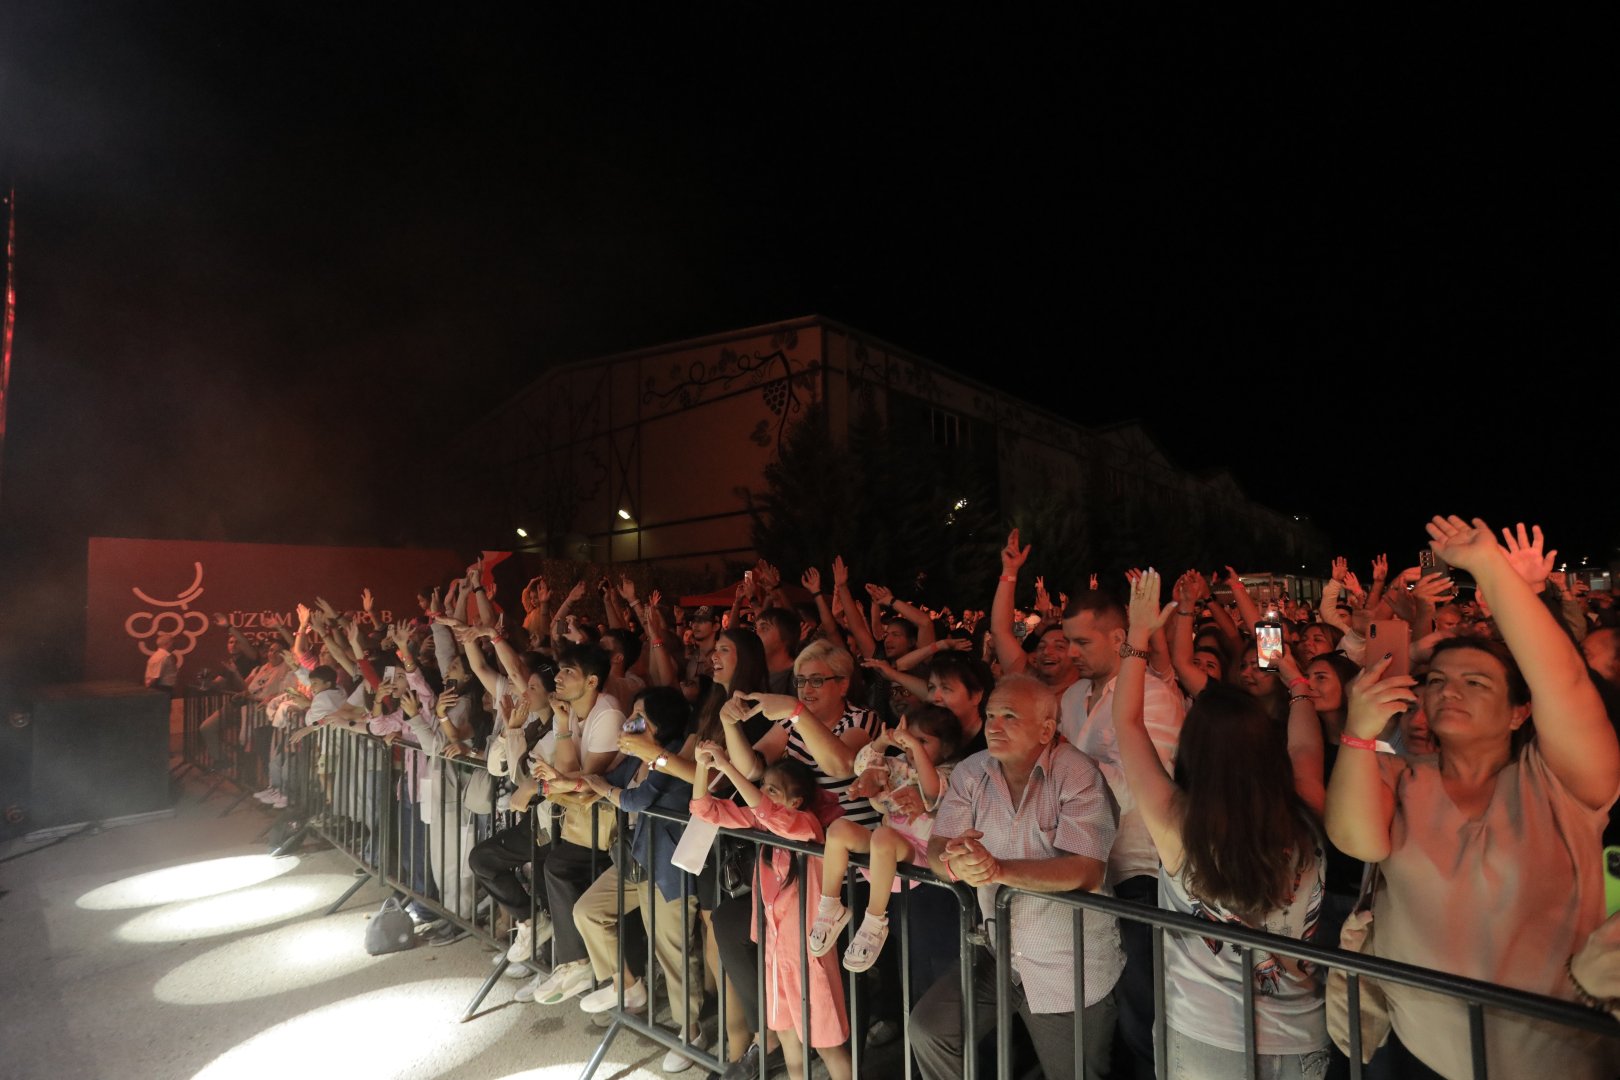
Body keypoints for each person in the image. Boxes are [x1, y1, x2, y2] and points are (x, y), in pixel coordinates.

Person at [1326, 517, 1620, 1079]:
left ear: (1520, 711)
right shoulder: (1404, 778)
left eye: (1476, 682)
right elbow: (1354, 838)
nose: (1449, 689)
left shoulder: (1563, 783)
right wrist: (1360, 732)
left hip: (1553, 1063)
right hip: (1419, 1056)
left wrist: (1490, 567)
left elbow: (1566, 683)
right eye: (1436, 681)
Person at [1116, 570, 1329, 1079]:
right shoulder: (1305, 809)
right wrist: (1295, 679)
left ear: (1193, 753)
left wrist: (1137, 638)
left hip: (1206, 1035)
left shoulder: (1178, 822)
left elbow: (1126, 724)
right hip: (1301, 1035)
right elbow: (1302, 746)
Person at [910, 674, 1121, 1080]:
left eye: (1009, 716)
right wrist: (955, 863)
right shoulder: (972, 772)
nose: (993, 725)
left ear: (1046, 728)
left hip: (1067, 962)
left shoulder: (1077, 773)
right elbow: (938, 845)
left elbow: (1086, 868)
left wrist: (997, 870)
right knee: (928, 1030)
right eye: (990, 715)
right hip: (999, 952)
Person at [1059, 587, 1185, 1077]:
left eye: (1081, 643)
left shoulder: (1155, 696)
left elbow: (1140, 784)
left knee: (1142, 1005)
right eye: (1067, 641)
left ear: (1119, 637)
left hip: (1137, 872)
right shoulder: (1070, 696)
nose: (1070, 653)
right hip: (1080, 867)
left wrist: (1057, 771)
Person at [566, 687, 707, 1072]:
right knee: (588, 911)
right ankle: (628, 987)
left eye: (640, 715)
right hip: (636, 858)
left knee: (673, 952)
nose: (630, 720)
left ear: (659, 724)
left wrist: (605, 790)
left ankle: (689, 1033)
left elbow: (634, 800)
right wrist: (563, 782)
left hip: (668, 867)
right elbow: (605, 778)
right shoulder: (634, 756)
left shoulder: (676, 755)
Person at [692, 745, 852, 1080]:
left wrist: (727, 765)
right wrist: (701, 768)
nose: (762, 794)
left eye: (771, 789)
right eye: (762, 786)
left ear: (796, 801)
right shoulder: (764, 826)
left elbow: (766, 811)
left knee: (827, 1046)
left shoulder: (807, 826)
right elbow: (707, 809)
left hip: (810, 956)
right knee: (789, 1043)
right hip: (776, 955)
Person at [809, 704, 962, 972]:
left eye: (923, 741)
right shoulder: (899, 765)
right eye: (910, 740)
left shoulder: (951, 772)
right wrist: (881, 742)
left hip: (920, 857)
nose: (912, 748)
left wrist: (913, 746)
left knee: (882, 836)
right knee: (839, 829)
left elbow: (932, 789)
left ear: (946, 747)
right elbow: (860, 766)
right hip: (884, 856)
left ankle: (875, 920)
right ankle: (830, 905)